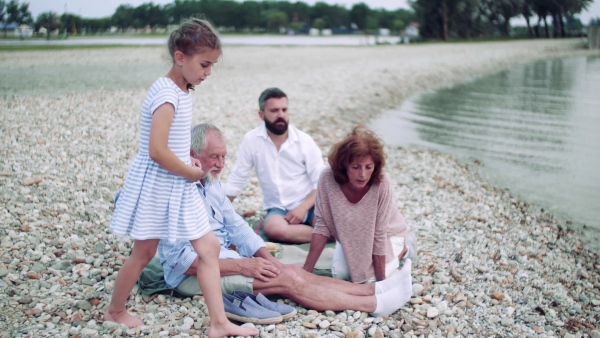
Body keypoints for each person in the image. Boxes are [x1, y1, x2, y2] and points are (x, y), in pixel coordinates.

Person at [158, 123, 413, 316]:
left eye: (224, 156)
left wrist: (265, 258)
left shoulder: (211, 185)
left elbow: (237, 227)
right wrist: (244, 266)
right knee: (287, 280)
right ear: (192, 153)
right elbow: (183, 262)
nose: (221, 164)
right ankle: (374, 304)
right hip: (194, 278)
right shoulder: (175, 195)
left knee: (287, 269)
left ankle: (374, 289)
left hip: (226, 260)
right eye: (214, 157)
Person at [104, 18, 258, 338]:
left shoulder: (183, 89)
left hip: (179, 185)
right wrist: (192, 171)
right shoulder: (166, 94)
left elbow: (173, 143)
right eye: (204, 64)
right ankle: (115, 310)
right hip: (159, 185)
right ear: (180, 57)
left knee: (209, 247)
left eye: (212, 66)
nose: (207, 73)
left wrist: (188, 158)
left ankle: (218, 323)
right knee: (144, 252)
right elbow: (157, 150)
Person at [303, 126, 417, 284]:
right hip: (349, 235)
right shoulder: (327, 178)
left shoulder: (382, 182)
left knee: (370, 281)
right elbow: (322, 225)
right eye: (355, 167)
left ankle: (404, 249)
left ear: (375, 167)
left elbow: (379, 234)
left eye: (368, 167)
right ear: (344, 166)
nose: (362, 174)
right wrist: (305, 273)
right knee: (340, 275)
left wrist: (380, 284)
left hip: (387, 234)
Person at [224, 87, 325, 244]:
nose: (281, 115)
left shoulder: (304, 141)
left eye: (284, 110)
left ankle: (322, 232)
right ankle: (322, 236)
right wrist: (218, 209)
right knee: (274, 229)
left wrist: (303, 208)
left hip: (310, 204)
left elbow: (321, 181)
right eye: (274, 110)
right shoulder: (251, 140)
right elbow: (238, 178)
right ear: (261, 115)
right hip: (278, 209)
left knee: (330, 222)